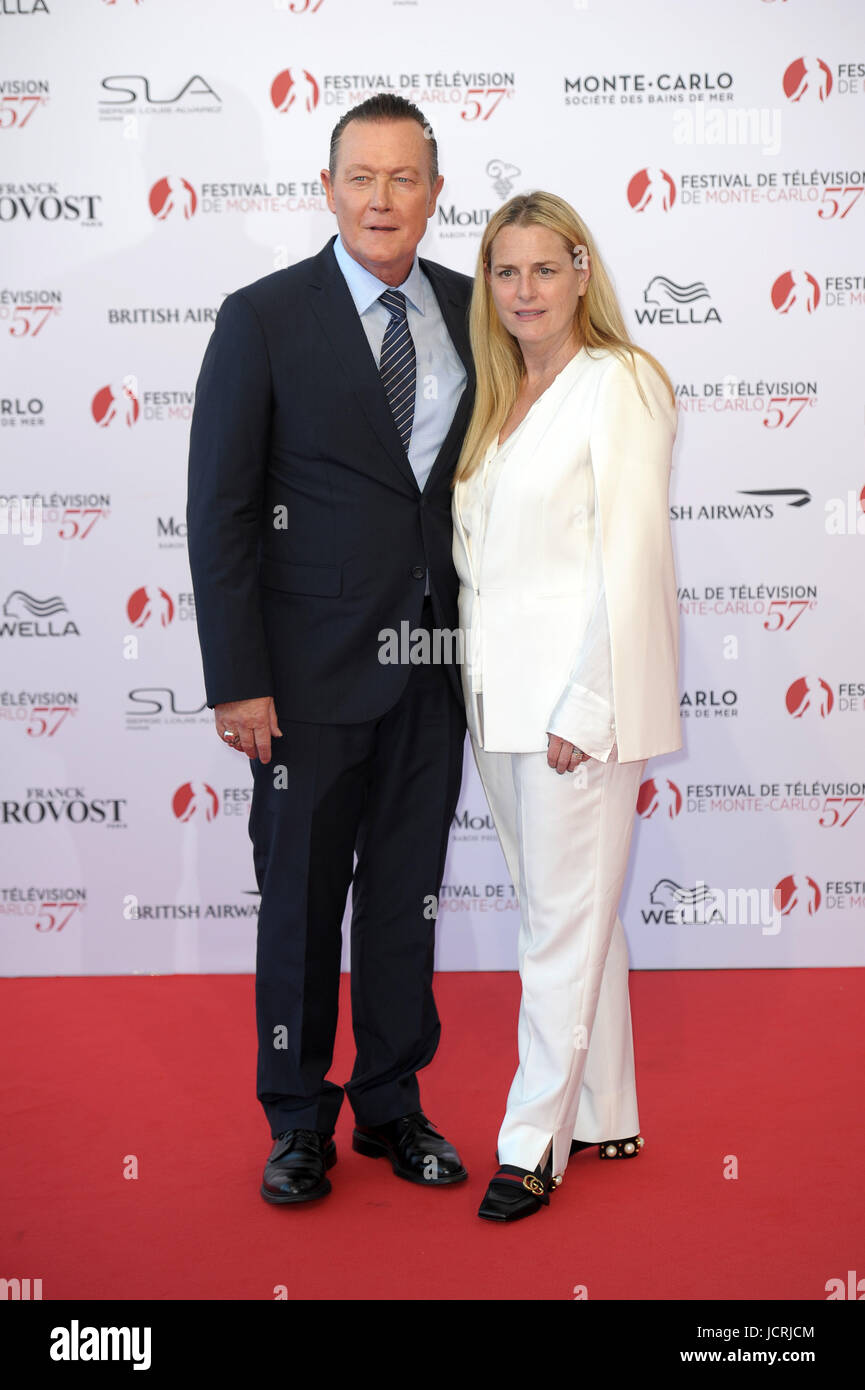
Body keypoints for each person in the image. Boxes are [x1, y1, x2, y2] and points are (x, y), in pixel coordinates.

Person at [186, 95, 474, 1205]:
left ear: (435, 195)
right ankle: (296, 1117)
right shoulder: (262, 317)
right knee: (300, 901)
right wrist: (238, 677)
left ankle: (392, 1107)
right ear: (327, 188)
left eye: (405, 178)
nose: (382, 198)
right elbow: (220, 510)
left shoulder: (471, 308)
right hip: (302, 682)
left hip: (434, 668)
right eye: (361, 176)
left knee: (406, 897)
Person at [451, 191, 682, 1222]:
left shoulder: (620, 382)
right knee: (571, 916)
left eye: (546, 268)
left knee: (556, 929)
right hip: (498, 706)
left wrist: (588, 703)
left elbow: (630, 560)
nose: (524, 290)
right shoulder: (497, 396)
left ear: (583, 271)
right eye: (506, 271)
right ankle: (604, 1106)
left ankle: (529, 1141)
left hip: (573, 714)